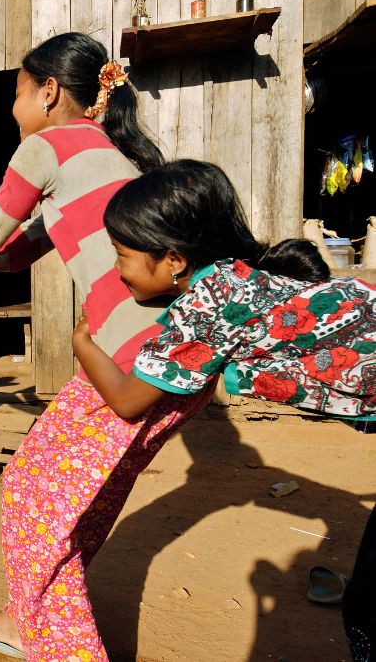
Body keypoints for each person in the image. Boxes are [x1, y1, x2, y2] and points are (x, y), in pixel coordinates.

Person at [0, 33, 213, 660]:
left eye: (16, 93)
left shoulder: (44, 147)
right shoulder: (107, 155)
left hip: (126, 362)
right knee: (80, 507)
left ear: (48, 92)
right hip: (177, 364)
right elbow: (13, 251)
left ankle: (59, 645)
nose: (12, 109)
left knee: (31, 496)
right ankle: (19, 617)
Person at [72, 159, 375, 661]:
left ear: (172, 260)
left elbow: (128, 401)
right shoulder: (229, 277)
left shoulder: (206, 308)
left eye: (121, 255)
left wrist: (82, 342)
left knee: (365, 610)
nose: (116, 269)